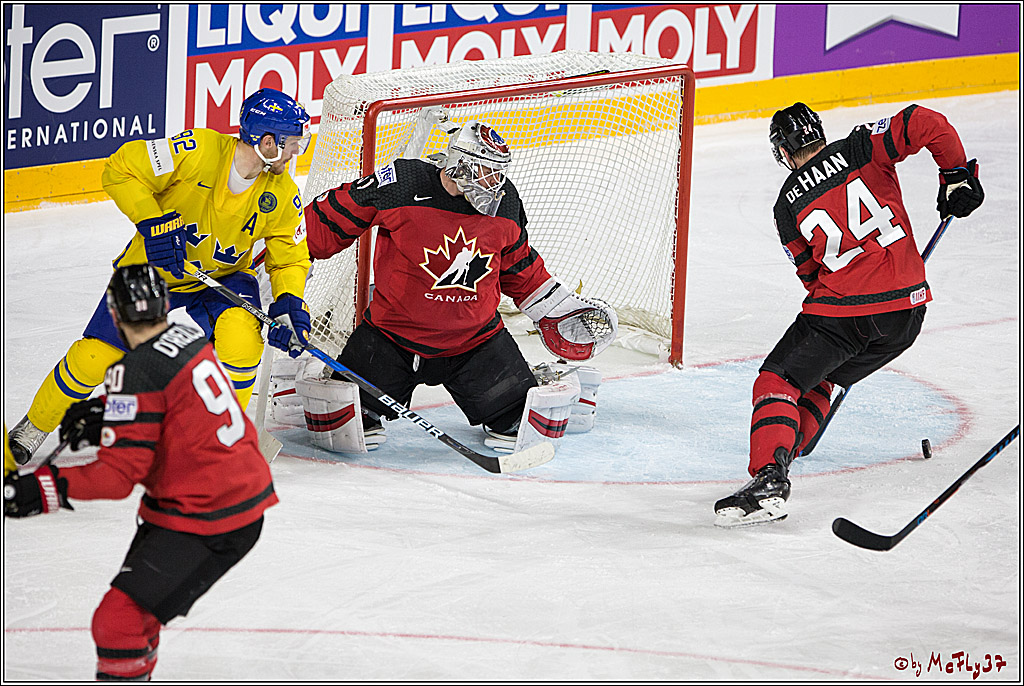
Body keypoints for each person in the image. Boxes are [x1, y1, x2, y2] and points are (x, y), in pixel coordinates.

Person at [714, 102, 984, 528]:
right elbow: (926, 122)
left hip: (844, 314)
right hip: (907, 314)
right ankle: (784, 453)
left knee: (779, 381)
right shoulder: (861, 147)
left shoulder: (786, 204)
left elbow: (810, 275)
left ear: (783, 150)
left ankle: (770, 477)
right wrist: (955, 174)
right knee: (825, 376)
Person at [8, 88, 313, 465]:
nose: (296, 152)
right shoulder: (197, 149)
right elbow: (120, 168)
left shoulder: (282, 193)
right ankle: (32, 427)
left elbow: (289, 258)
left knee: (242, 339)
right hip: (156, 268)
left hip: (224, 278)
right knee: (94, 358)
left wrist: (288, 304)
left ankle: (220, 437)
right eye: (291, 143)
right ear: (266, 141)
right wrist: (153, 223)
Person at [4, 264, 278, 681]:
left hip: (212, 516)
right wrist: (107, 413)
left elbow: (115, 479)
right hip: (228, 496)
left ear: (114, 315)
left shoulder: (134, 372)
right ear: (164, 307)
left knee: (119, 623)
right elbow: (178, 404)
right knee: (135, 622)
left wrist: (41, 488)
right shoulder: (186, 338)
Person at [294, 119, 617, 454]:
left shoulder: (505, 202)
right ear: (460, 166)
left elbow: (518, 264)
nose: (495, 183)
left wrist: (556, 307)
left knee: (518, 428)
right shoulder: (402, 184)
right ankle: (320, 379)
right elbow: (333, 216)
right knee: (346, 429)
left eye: (499, 173)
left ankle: (529, 389)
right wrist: (282, 254)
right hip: (391, 340)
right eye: (486, 171)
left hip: (476, 344)